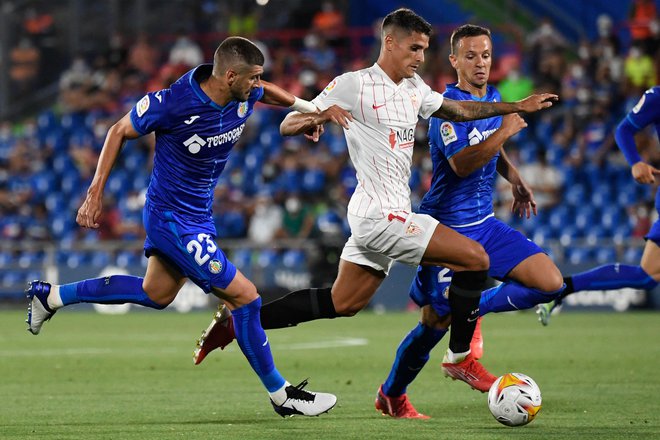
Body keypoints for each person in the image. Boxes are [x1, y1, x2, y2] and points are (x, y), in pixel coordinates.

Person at [193, 9, 558, 393]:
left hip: (384, 213)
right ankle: (460, 359)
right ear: (390, 42)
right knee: (475, 259)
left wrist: (516, 106)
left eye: (424, 50)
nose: (420, 57)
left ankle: (239, 322)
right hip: (380, 216)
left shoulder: (414, 88)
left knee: (343, 302)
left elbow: (462, 110)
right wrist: (320, 116)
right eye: (414, 48)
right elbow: (288, 124)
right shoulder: (355, 84)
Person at [25, 36, 336, 418]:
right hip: (172, 217)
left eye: (260, 78)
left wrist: (311, 109)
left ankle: (52, 296)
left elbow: (268, 93)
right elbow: (117, 131)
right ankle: (280, 394)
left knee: (155, 294)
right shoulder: (173, 102)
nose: (258, 85)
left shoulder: (244, 93)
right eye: (253, 78)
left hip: (198, 215)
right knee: (246, 296)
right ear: (231, 75)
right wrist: (94, 192)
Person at [373, 24, 565, 418]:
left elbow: (491, 147)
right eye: (472, 56)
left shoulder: (493, 98)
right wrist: (509, 125)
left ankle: (472, 308)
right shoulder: (444, 106)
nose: (480, 63)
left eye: (486, 55)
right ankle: (391, 395)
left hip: (486, 224)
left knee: (551, 282)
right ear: (454, 60)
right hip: (445, 229)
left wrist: (514, 179)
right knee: (434, 323)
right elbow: (461, 164)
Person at [537, 86, 660, 325]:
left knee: (647, 276)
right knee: (648, 274)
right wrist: (635, 162)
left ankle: (562, 289)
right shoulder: (657, 97)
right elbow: (624, 130)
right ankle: (561, 288)